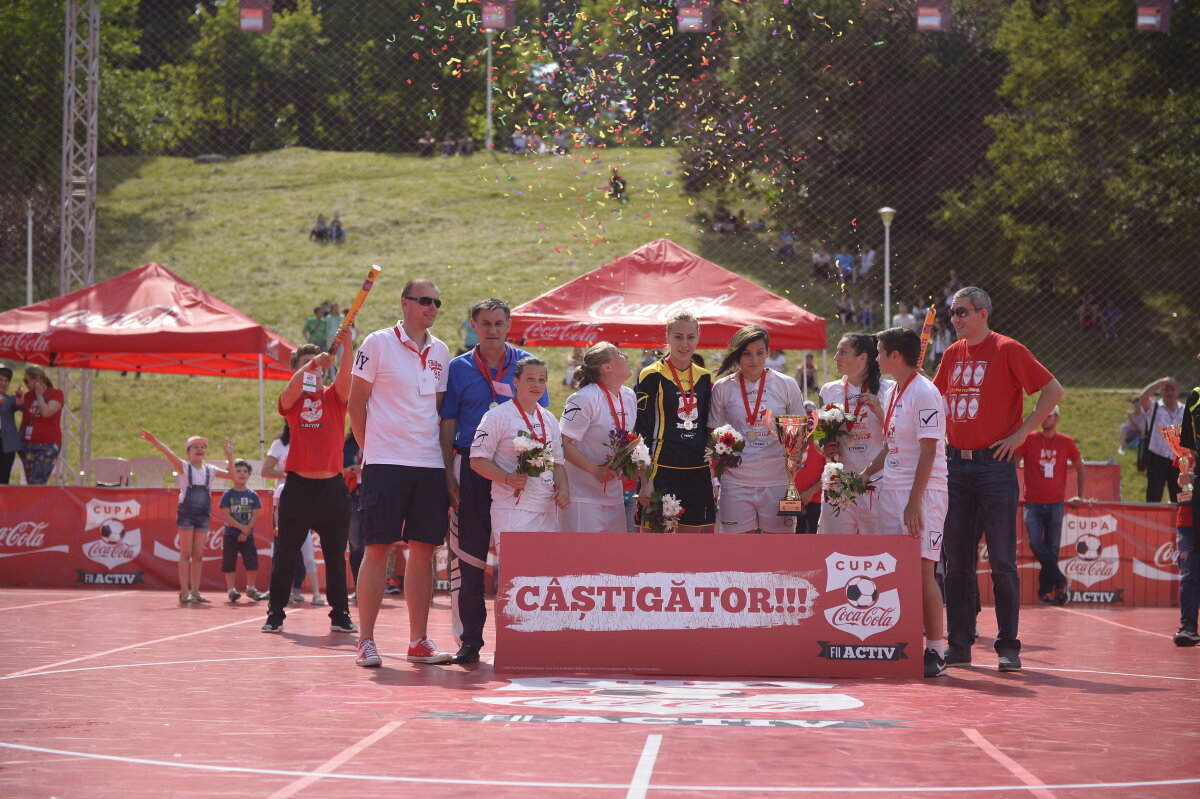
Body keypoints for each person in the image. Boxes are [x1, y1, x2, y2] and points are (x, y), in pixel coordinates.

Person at [932, 286, 1064, 673]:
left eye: (962, 312)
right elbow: (933, 398)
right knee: (956, 563)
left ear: (983, 314)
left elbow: (1053, 390)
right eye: (952, 312)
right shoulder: (952, 353)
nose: (955, 318)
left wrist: (1022, 434)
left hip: (995, 467)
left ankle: (1008, 646)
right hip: (955, 467)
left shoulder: (1008, 349)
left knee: (1003, 562)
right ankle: (959, 643)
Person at [349, 279, 453, 668]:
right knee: (378, 547)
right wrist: (371, 451)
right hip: (385, 462)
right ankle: (365, 641)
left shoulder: (441, 350)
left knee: (424, 550)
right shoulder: (377, 343)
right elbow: (355, 404)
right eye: (425, 300)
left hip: (429, 464)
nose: (432, 307)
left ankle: (418, 641)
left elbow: (437, 411)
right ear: (405, 303)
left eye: (437, 302)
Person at [439, 298, 546, 664]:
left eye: (499, 323)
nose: (492, 330)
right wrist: (447, 472)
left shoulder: (527, 365)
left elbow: (541, 416)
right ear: (473, 325)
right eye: (485, 323)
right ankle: (469, 640)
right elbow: (448, 421)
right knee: (468, 558)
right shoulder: (458, 368)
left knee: (518, 558)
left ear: (509, 325)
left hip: (517, 470)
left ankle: (520, 637)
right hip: (470, 468)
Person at [859, 327, 950, 678]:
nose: (876, 357)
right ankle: (901, 642)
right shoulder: (894, 390)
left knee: (924, 570)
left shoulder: (925, 392)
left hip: (923, 493)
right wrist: (866, 473)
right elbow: (892, 445)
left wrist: (914, 501)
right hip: (892, 490)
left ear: (894, 356)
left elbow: (929, 451)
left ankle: (936, 652)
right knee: (894, 569)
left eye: (880, 352)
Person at [263, 329, 355, 634]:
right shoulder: (291, 401)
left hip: (332, 490)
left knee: (335, 557)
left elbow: (346, 377)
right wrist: (312, 364)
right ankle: (275, 613)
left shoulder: (334, 397)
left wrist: (347, 344)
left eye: (317, 364)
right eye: (304, 365)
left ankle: (340, 614)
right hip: (298, 489)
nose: (313, 369)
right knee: (285, 555)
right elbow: (290, 390)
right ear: (297, 370)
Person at [709, 326, 805, 534]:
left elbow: (800, 430)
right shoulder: (723, 387)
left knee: (779, 548)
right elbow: (713, 433)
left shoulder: (786, 384)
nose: (754, 360)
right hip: (736, 482)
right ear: (737, 354)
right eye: (747, 354)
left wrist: (796, 452)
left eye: (760, 353)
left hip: (777, 481)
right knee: (737, 548)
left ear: (768, 352)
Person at [471, 357, 569, 544]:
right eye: (530, 379)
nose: (536, 384)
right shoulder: (497, 416)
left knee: (543, 564)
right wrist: (508, 478)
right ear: (516, 382)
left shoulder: (549, 418)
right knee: (516, 564)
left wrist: (564, 489)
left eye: (541, 380)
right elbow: (477, 461)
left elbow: (557, 464)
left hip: (547, 508)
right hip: (513, 509)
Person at [635, 311, 715, 533]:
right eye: (678, 337)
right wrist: (646, 481)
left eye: (690, 337)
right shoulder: (651, 374)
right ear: (668, 336)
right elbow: (642, 431)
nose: (684, 344)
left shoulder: (704, 376)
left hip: (696, 470)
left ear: (698, 337)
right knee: (653, 544)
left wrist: (714, 475)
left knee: (690, 546)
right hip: (661, 470)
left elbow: (706, 427)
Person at [139, 429, 235, 603]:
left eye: (202, 447)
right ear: (188, 453)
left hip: (203, 513)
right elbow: (168, 453)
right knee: (185, 553)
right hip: (186, 513)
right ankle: (184, 591)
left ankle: (195, 591)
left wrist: (230, 456)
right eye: (195, 447)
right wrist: (154, 441)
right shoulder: (184, 467)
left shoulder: (211, 470)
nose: (200, 449)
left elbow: (233, 476)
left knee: (198, 555)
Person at [817, 333, 894, 534]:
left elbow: (900, 435)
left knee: (875, 549)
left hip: (876, 483)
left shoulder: (889, 389)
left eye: (842, 352)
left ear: (863, 357)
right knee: (834, 548)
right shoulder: (829, 390)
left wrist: (879, 411)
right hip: (838, 484)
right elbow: (817, 434)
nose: (836, 357)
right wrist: (822, 447)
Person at [558, 343, 639, 534]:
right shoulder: (584, 398)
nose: (626, 356)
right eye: (619, 354)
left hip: (614, 496)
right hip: (582, 498)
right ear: (607, 367)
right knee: (582, 554)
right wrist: (595, 470)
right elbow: (561, 443)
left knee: (613, 554)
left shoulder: (629, 396)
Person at [1014, 406, 1086, 606]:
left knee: (1052, 549)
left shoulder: (1066, 442)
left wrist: (1080, 495)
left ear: (1057, 418)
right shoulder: (1029, 439)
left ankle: (1046, 592)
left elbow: (1080, 467)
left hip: (1056, 502)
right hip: (1032, 502)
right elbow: (1013, 464)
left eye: (1050, 415)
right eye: (1043, 415)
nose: (1046, 418)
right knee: (1036, 543)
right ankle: (1060, 580)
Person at [260, 423, 321, 606]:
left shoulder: (311, 441)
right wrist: (290, 474)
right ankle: (278, 590)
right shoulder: (280, 444)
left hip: (305, 500)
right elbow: (265, 471)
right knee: (282, 550)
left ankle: (297, 589)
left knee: (305, 552)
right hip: (283, 501)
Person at [219, 459, 268, 602]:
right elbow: (226, 516)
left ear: (249, 475)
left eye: (245, 471)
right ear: (231, 474)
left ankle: (251, 588)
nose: (242, 474)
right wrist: (242, 528)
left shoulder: (253, 495)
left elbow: (254, 514)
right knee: (229, 563)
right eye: (238, 471)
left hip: (247, 535)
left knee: (252, 562)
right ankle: (231, 590)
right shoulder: (228, 495)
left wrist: (246, 531)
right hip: (230, 535)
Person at [1176, 369, 1199, 646]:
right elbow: (1180, 473)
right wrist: (1184, 478)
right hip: (1191, 510)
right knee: (1190, 570)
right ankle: (1188, 627)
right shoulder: (1196, 397)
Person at [1136, 377, 1185, 503]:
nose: (1169, 393)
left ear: (1178, 391)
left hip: (1178, 460)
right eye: (1166, 390)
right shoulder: (1154, 407)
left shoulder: (1185, 410)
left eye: (1172, 389)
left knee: (1179, 499)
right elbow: (1143, 397)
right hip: (1157, 459)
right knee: (1153, 497)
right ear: (1161, 391)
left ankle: (1177, 517)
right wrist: (1160, 382)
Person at [17, 366, 64, 485]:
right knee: (31, 481)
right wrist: (19, 443)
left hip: (47, 445)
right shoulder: (28, 396)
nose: (26, 384)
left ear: (38, 379)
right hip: (28, 444)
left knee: (37, 481)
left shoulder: (56, 394)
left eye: (27, 381)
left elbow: (46, 412)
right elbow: (25, 421)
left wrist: (39, 396)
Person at [0, 367, 19, 484]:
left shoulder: (10, 400)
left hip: (6, 442)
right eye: (0, 380)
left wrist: (20, 397)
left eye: (6, 380)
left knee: (4, 477)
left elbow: (19, 405)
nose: (3, 383)